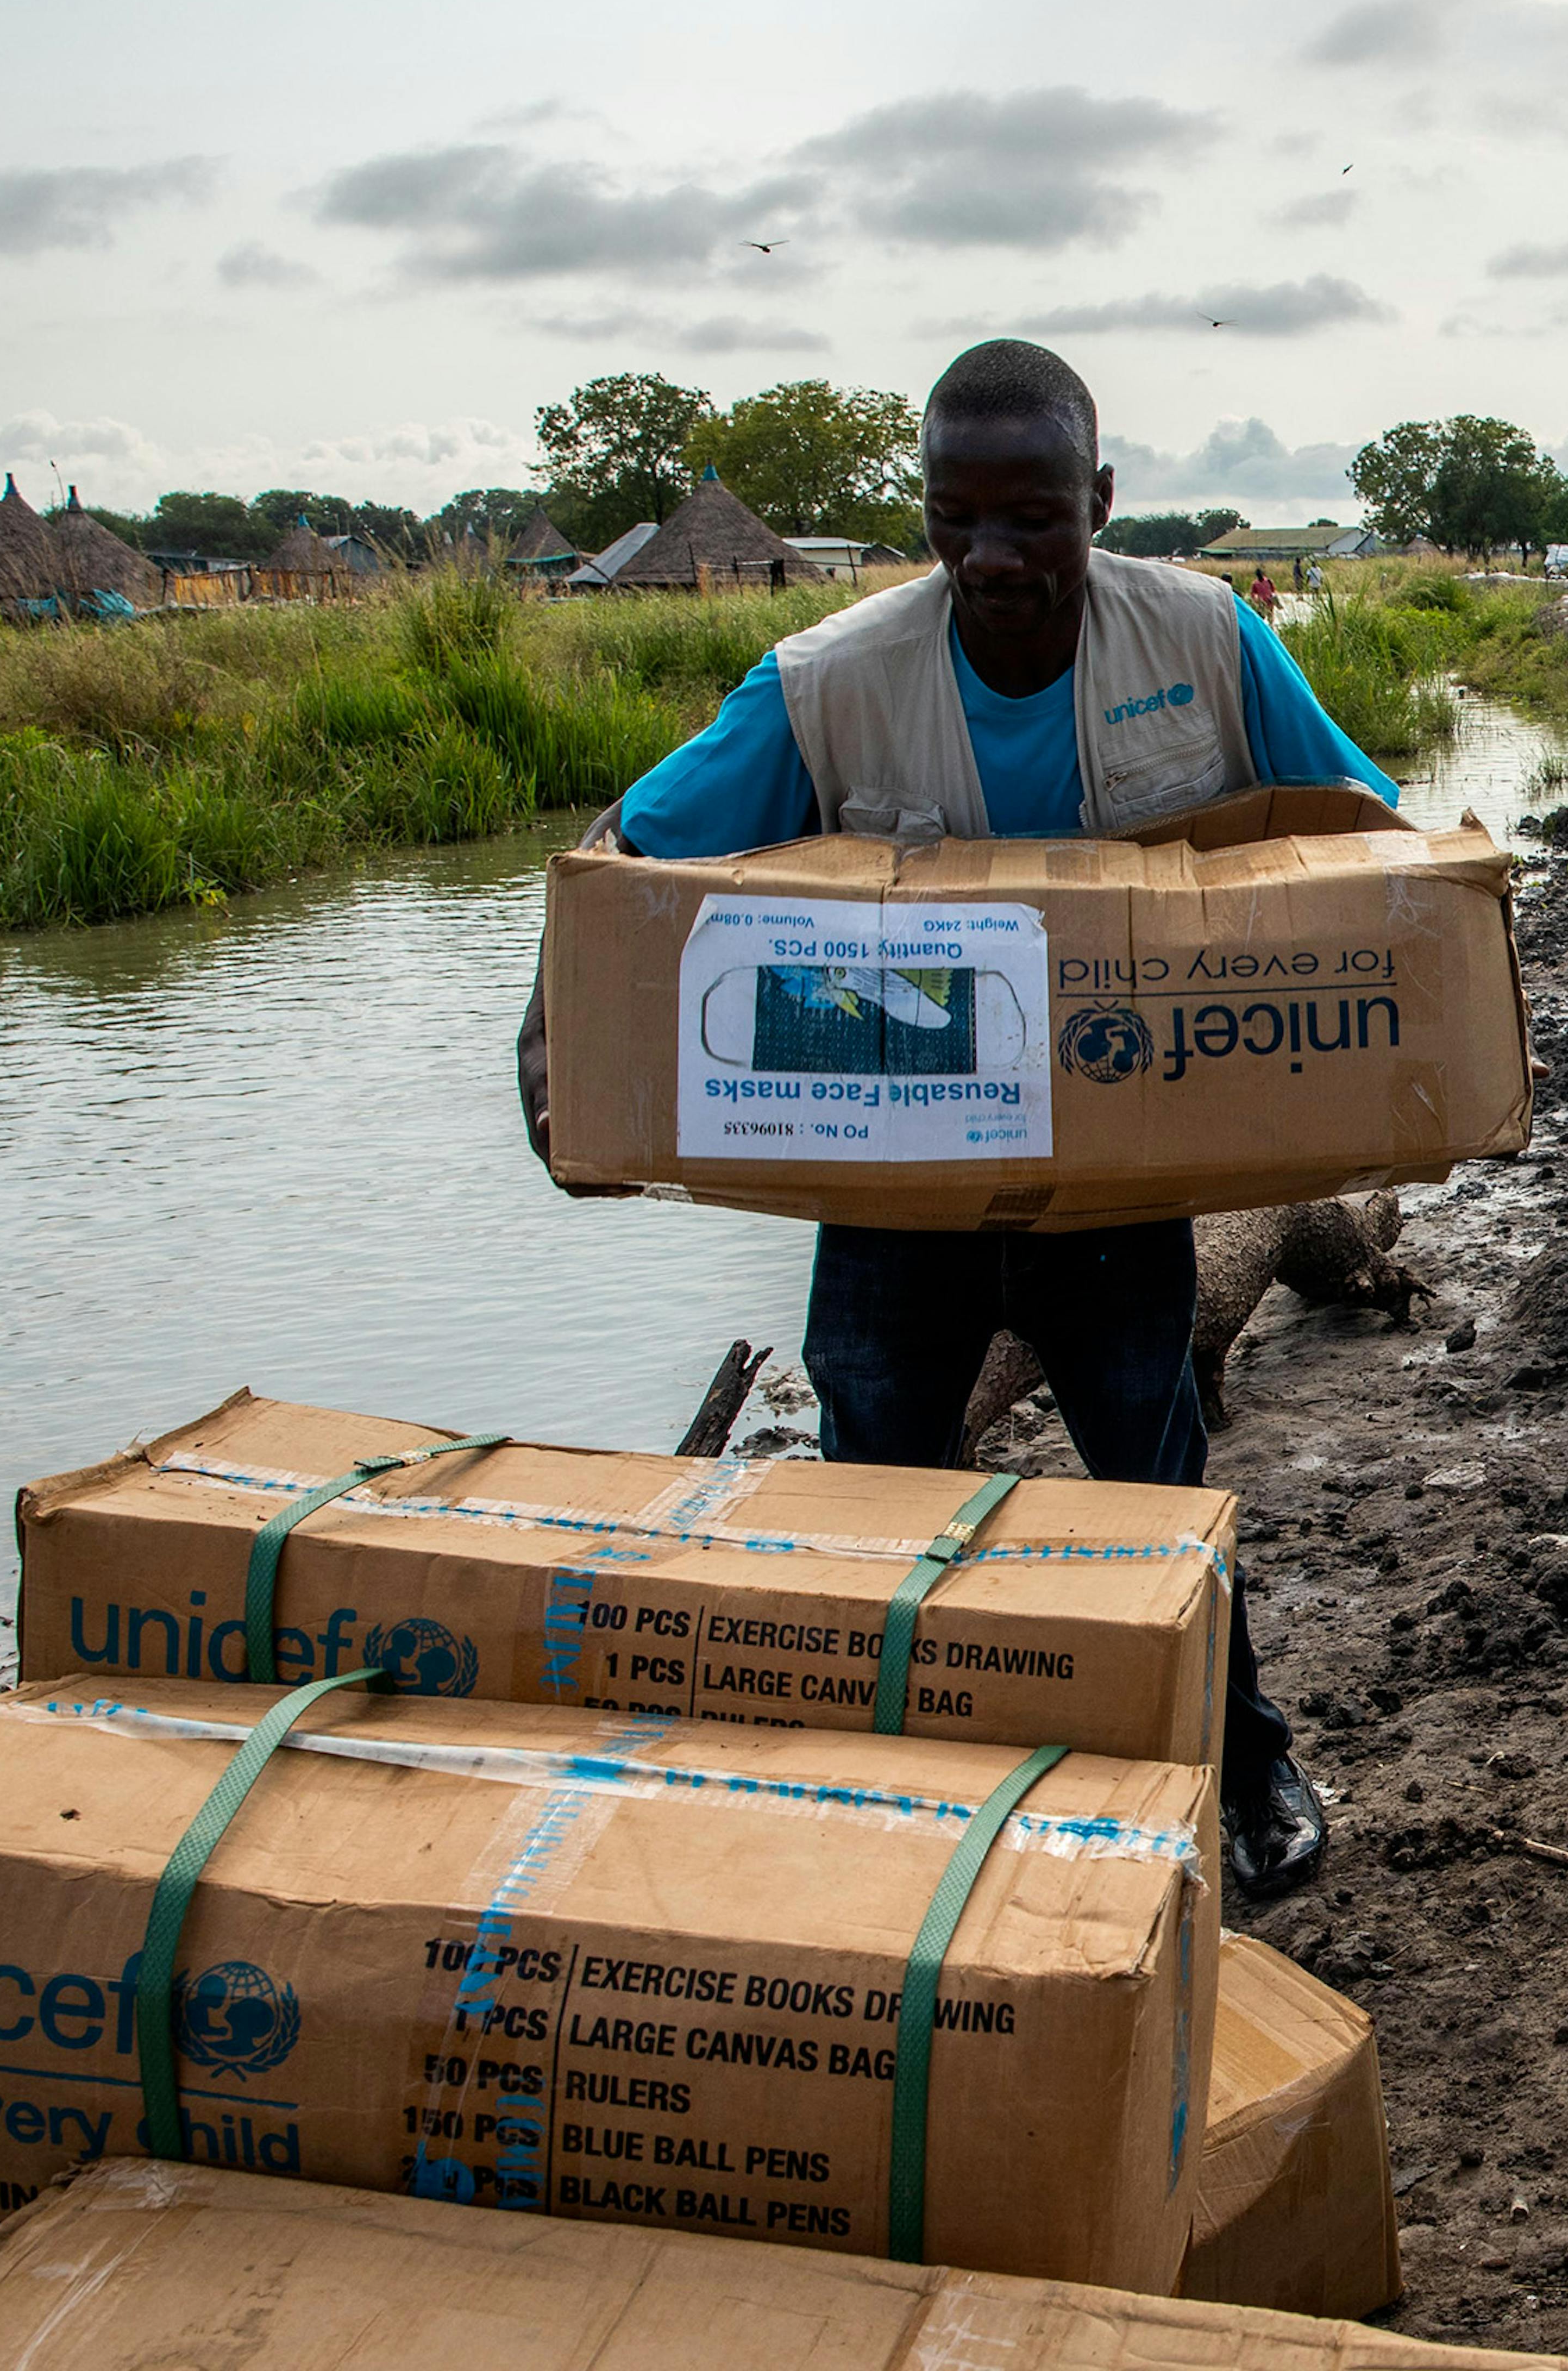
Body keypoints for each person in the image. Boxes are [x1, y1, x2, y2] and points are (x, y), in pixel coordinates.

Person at [550, 338, 1397, 1896]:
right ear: (925, 511)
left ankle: (1247, 1764)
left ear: (1102, 499)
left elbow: (1362, 836)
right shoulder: (827, 681)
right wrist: (553, 1025)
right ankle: (912, 1799)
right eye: (959, 519)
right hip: (893, 1198)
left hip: (1109, 1190)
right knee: (884, 1494)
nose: (996, 558)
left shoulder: (1205, 637)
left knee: (1153, 1481)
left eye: (1036, 517)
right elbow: (631, 863)